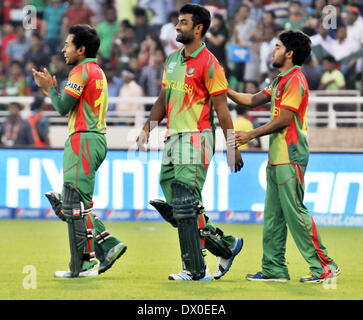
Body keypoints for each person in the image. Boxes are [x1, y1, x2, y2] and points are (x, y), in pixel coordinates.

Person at [136, 4, 244, 282]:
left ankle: (196, 271)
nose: (177, 27)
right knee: (180, 208)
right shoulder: (172, 59)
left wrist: (232, 147)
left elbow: (222, 111)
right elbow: (163, 99)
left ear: (198, 29)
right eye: (177, 21)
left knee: (185, 204)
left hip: (196, 139)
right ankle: (224, 246)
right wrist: (148, 127)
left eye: (183, 23)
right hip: (172, 139)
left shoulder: (211, 64)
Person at [227, 30, 340, 283]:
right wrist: (225, 90)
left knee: (295, 213)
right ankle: (274, 269)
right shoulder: (280, 80)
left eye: (277, 47)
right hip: (277, 157)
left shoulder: (296, 80)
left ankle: (325, 266)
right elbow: (253, 99)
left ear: (289, 53)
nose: (273, 51)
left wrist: (250, 134)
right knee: (274, 217)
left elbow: (285, 119)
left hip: (291, 154)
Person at [32, 24, 127, 278]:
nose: (63, 48)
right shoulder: (97, 71)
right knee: (78, 206)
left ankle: (83, 265)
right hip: (95, 139)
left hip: (83, 140)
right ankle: (105, 247)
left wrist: (48, 89)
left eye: (68, 44)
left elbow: (63, 107)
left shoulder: (80, 71)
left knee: (74, 206)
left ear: (81, 49)